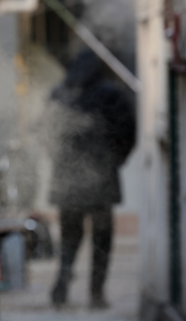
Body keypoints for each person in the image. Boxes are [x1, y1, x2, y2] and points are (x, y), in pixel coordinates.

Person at [43, 50, 135, 310]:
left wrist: (60, 163)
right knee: (102, 242)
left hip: (67, 182)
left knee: (69, 239)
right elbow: (128, 132)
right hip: (102, 184)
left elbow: (46, 132)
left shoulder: (60, 94)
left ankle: (61, 287)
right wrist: (114, 161)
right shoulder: (111, 94)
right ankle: (96, 294)